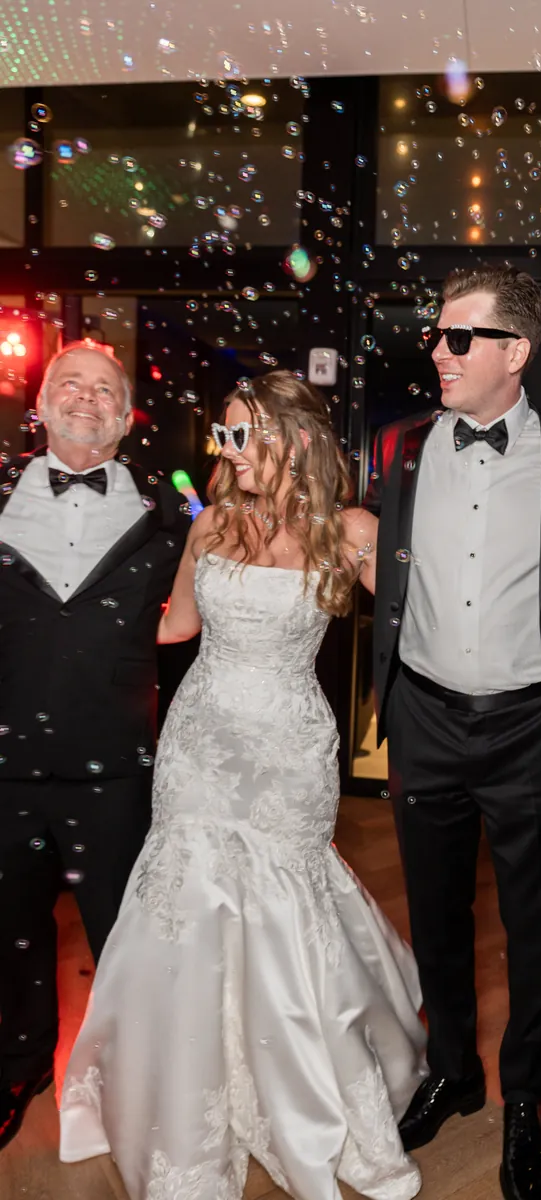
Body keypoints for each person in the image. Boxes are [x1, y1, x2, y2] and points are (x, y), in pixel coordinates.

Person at [59, 371, 427, 1200]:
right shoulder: (212, 523)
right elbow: (178, 625)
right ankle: (183, 1098)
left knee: (285, 909)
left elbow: (428, 618)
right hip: (199, 741)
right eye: (224, 434)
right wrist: (72, 629)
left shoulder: (349, 530)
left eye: (245, 433)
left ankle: (303, 1093)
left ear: (297, 439)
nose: (229, 451)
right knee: (184, 906)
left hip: (288, 749)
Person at [366, 265, 541, 1200]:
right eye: (437, 336)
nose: (436, 351)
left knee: (535, 926)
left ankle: (524, 1097)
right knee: (437, 919)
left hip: (530, 728)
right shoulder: (398, 447)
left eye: (457, 338)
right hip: (425, 720)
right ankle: (453, 1069)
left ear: (514, 352)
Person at [0, 341, 189, 1152]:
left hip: (116, 770)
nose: (85, 397)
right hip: (4, 763)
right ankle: (19, 1065)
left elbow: (187, 625)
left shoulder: (166, 518)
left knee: (124, 935)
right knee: (9, 928)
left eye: (102, 388)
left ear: (125, 413)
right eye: (67, 383)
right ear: (39, 402)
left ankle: (122, 1075)